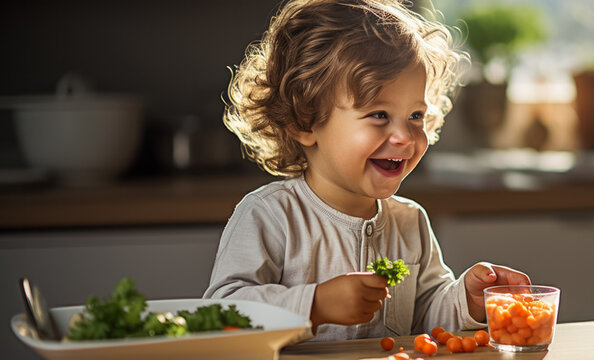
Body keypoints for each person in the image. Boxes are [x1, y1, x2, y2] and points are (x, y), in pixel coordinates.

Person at [203, 0, 530, 341]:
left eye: (415, 116)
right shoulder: (269, 216)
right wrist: (314, 305)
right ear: (305, 122)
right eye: (379, 114)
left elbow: (429, 314)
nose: (404, 137)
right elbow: (222, 312)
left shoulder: (410, 222)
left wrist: (468, 301)